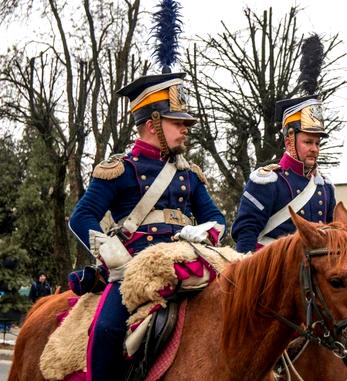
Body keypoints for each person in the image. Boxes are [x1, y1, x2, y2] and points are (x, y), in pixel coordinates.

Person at [69, 71, 226, 380]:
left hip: (185, 264)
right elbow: (81, 217)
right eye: (177, 123)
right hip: (133, 272)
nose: (184, 131)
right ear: (153, 123)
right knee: (106, 328)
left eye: (185, 124)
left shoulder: (190, 175)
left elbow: (218, 218)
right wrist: (116, 259)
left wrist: (205, 231)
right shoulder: (120, 170)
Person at [231, 35, 335, 253]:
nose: (314, 148)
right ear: (289, 139)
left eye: (317, 143)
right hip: (273, 274)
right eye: (308, 141)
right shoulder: (268, 181)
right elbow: (246, 231)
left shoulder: (325, 187)